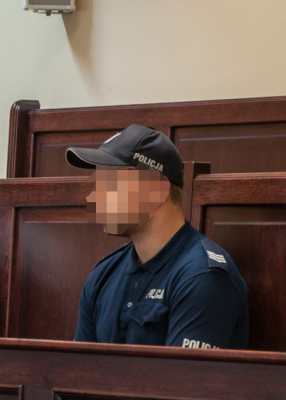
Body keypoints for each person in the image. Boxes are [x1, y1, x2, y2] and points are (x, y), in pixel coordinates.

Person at [66, 125, 248, 349]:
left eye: (110, 183)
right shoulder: (103, 275)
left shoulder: (203, 277)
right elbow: (80, 367)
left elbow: (182, 372)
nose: (95, 196)